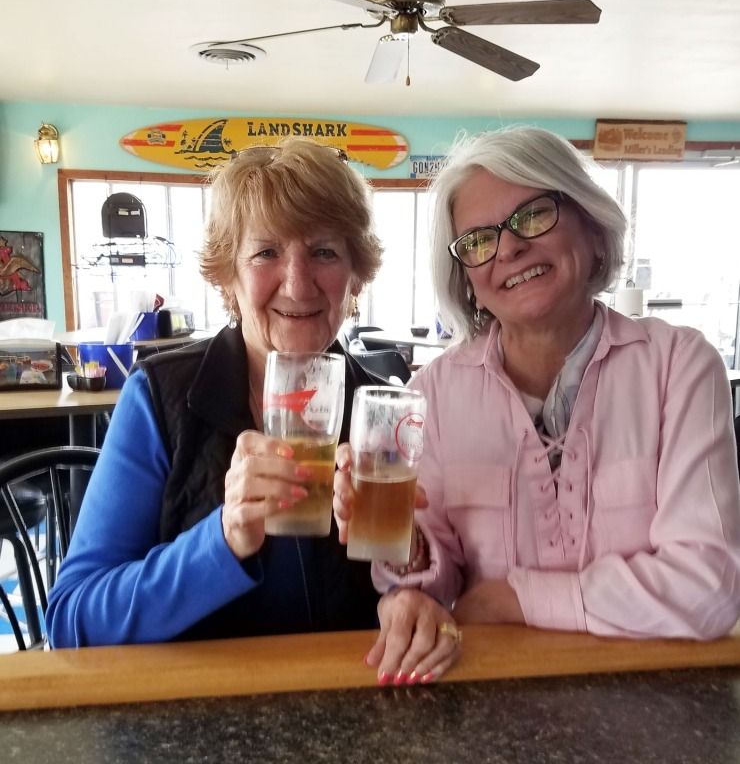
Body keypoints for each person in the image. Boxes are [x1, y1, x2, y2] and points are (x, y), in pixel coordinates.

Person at [334, 126, 740, 681]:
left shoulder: (680, 365)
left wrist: (512, 600)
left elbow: (710, 586)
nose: (508, 247)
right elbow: (433, 581)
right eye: (477, 239)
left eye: (532, 216)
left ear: (593, 229)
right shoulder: (431, 393)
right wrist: (403, 552)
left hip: (654, 695)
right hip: (490, 691)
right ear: (469, 280)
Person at [46, 139, 387, 647]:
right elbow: (74, 620)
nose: (297, 284)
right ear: (228, 274)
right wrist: (222, 540)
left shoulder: (383, 413)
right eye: (266, 252)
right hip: (194, 714)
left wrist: (415, 562)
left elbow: (434, 601)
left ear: (355, 274)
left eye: (324, 252)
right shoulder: (160, 399)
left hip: (354, 710)